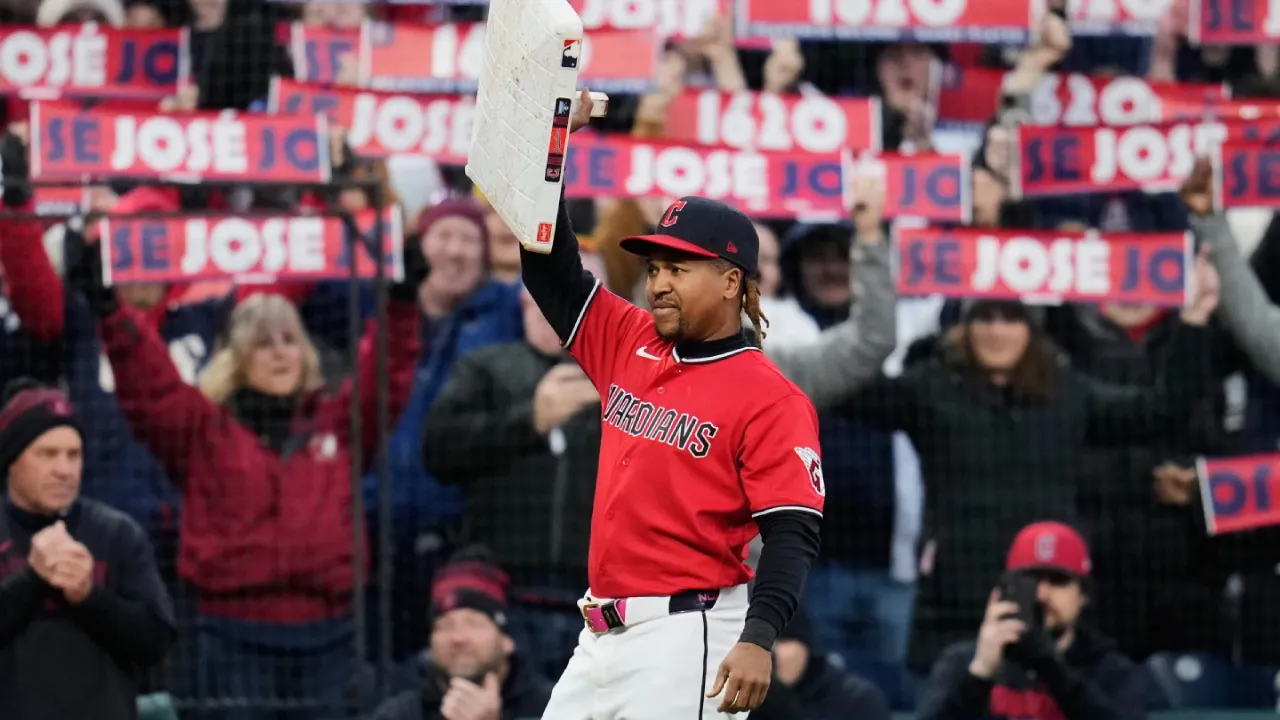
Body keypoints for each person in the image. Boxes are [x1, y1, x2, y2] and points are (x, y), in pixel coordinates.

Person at [520, 90, 824, 718]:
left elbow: (792, 530)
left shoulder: (771, 396)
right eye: (656, 266)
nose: (658, 281)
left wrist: (760, 637)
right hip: (598, 631)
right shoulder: (629, 338)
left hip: (691, 633)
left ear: (732, 281)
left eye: (679, 269)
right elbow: (549, 272)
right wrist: (553, 145)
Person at [70, 245, 424, 720]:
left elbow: (387, 374)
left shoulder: (340, 424)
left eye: (288, 339)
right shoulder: (201, 429)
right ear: (237, 357)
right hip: (230, 639)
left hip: (332, 639)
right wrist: (112, 313)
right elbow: (148, 386)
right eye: (263, 342)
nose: (280, 352)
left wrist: (401, 306)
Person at [422, 252, 609, 681]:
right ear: (523, 304)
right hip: (504, 593)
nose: (552, 311)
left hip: (600, 600)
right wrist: (530, 420)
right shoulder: (486, 367)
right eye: (540, 300)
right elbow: (439, 451)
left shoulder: (630, 380)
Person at [0, 380, 175, 720]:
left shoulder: (116, 534)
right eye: (47, 454)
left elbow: (155, 644)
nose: (64, 470)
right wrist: (32, 579)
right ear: (12, 460)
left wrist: (89, 597)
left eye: (74, 455)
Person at [917, 522, 1145, 720]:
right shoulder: (962, 662)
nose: (1042, 594)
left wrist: (1055, 671)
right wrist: (980, 674)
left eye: (1058, 581)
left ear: (1083, 596)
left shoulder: (1109, 670)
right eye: (1030, 581)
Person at [369, 547, 553, 720]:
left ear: (507, 640)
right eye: (444, 626)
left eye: (473, 623)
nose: (458, 638)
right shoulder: (398, 715)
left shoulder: (556, 708)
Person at [751, 605, 891, 720]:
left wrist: (781, 703)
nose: (768, 654)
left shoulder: (856, 699)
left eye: (780, 642)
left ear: (805, 646)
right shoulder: (743, 702)